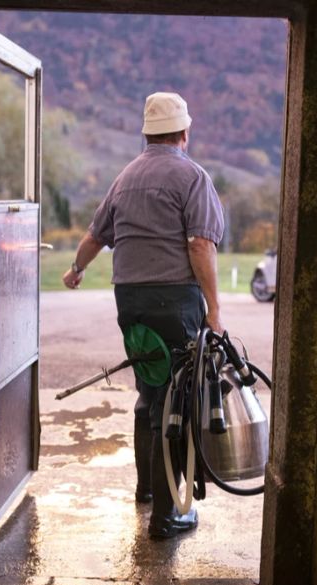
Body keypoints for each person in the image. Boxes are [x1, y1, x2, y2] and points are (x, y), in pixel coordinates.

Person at [62, 91, 224, 539]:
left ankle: (146, 490)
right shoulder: (192, 176)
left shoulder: (125, 177)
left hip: (129, 300)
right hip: (173, 299)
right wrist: (215, 309)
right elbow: (200, 245)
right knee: (176, 398)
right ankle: (169, 516)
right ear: (184, 133)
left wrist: (76, 270)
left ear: (148, 133)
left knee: (151, 388)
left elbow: (95, 236)